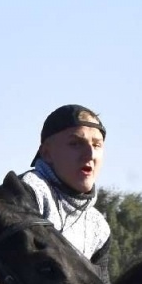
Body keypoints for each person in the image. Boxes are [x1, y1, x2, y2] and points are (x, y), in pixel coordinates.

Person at [17, 104, 111, 263]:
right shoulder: (28, 191)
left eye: (97, 145)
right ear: (47, 153)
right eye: (75, 144)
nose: (90, 154)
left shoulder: (99, 228)